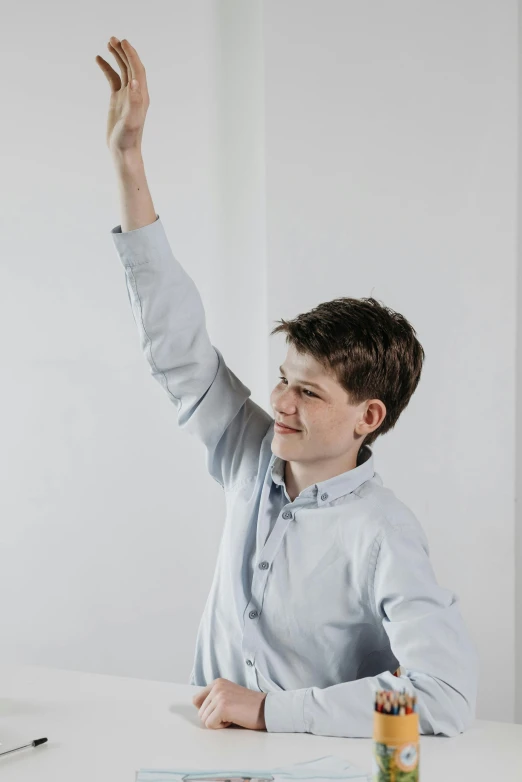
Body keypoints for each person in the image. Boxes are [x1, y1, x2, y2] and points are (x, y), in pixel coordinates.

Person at [96, 36, 479, 738]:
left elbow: (445, 695)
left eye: (308, 393)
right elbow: (178, 345)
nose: (280, 403)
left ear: (369, 415)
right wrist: (128, 159)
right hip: (201, 754)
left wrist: (271, 711)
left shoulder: (383, 534)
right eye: (283, 380)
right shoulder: (252, 451)